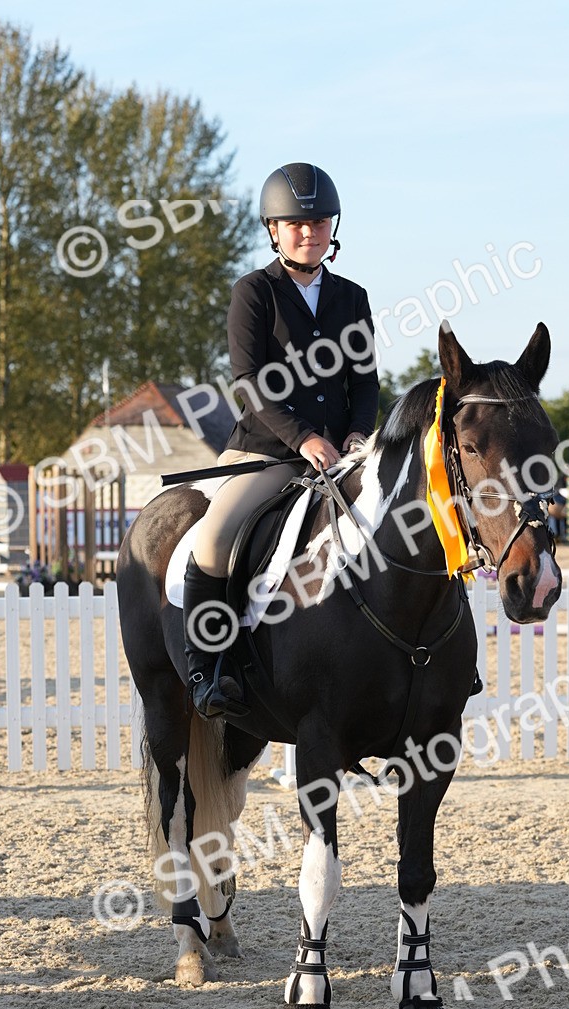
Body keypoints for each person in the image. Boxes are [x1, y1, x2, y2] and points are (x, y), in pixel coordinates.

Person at [184, 163, 380, 718]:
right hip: (267, 451)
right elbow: (249, 383)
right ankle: (208, 669)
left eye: (318, 222)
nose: (308, 232)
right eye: (296, 223)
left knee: (404, 521)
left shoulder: (352, 297)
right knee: (217, 539)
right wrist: (304, 438)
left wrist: (358, 433)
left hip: (342, 454)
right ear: (274, 228)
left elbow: (364, 381)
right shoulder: (254, 293)